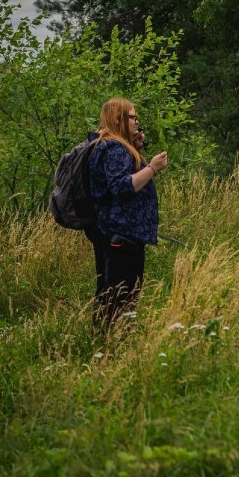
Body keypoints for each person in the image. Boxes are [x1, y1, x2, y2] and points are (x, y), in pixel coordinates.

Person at [87, 98, 168, 330]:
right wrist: (152, 168)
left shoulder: (111, 145)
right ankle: (114, 342)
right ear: (118, 119)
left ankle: (107, 339)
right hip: (121, 234)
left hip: (113, 232)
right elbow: (121, 187)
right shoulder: (114, 148)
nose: (137, 122)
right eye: (133, 117)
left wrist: (136, 149)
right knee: (120, 294)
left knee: (110, 291)